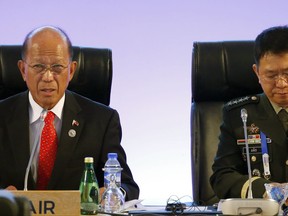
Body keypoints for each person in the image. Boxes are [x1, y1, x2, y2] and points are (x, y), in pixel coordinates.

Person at [0, 25, 139, 200]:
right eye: (38, 66)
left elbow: (128, 187)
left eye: (57, 67)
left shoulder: (102, 121)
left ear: (71, 70)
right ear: (23, 70)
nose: (48, 77)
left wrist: (112, 194)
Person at [210, 25, 288, 199]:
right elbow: (222, 176)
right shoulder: (240, 115)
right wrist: (264, 191)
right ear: (257, 72)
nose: (281, 83)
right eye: (271, 75)